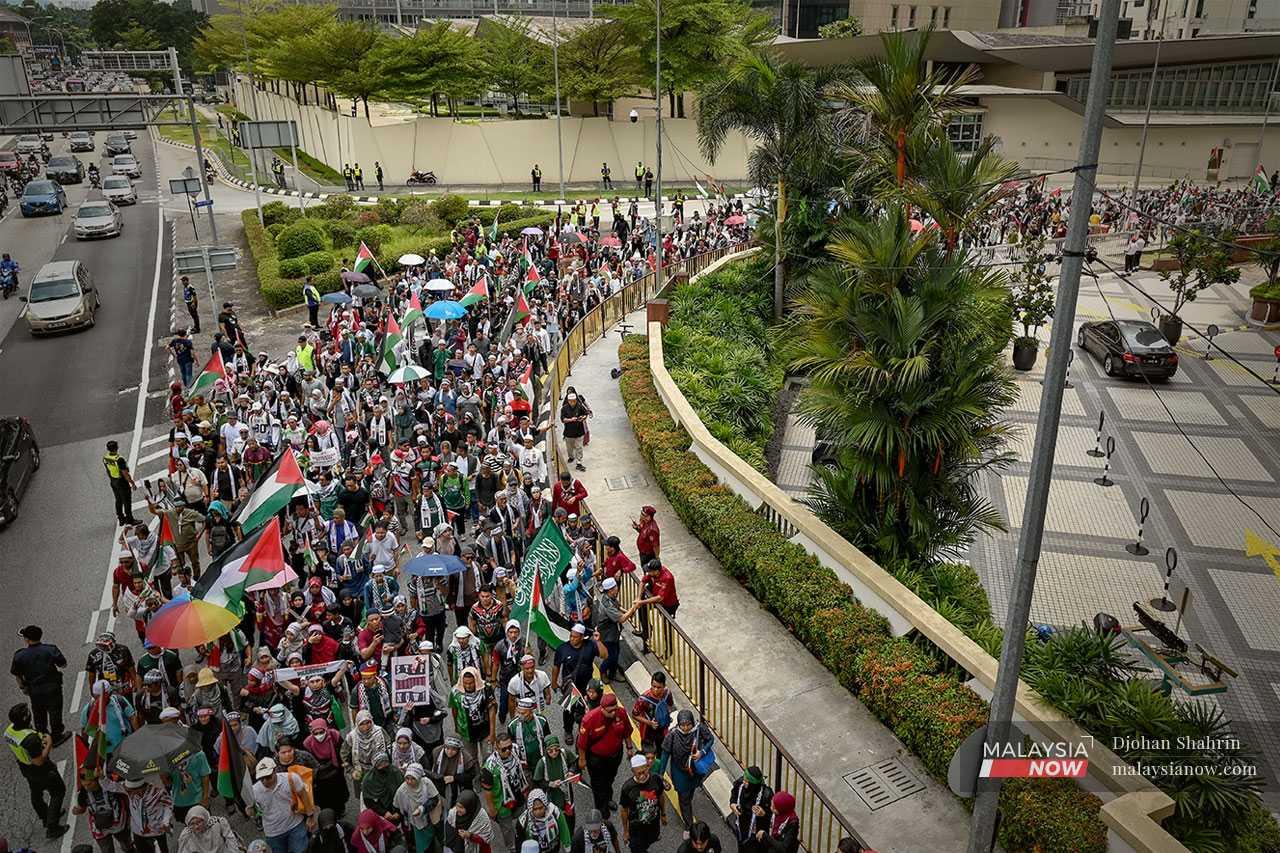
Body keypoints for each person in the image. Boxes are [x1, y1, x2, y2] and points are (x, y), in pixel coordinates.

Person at [5, 702, 69, 837]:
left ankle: (46, 817)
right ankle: (52, 827)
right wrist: (49, 743)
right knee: (58, 791)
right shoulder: (30, 740)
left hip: (26, 769)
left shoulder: (10, 731)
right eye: (28, 713)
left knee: (36, 794)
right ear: (25, 718)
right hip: (41, 770)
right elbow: (39, 761)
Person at [11, 624, 70, 746]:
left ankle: (43, 736)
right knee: (55, 711)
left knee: (38, 712)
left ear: (27, 639)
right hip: (53, 687)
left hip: (34, 690)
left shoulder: (20, 655)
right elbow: (63, 664)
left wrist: (23, 687)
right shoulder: (50, 649)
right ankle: (57, 736)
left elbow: (17, 675)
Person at [575, 694, 633, 816]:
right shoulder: (589, 719)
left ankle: (607, 798)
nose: (613, 714)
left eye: (614, 709)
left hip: (615, 755)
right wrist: (582, 759)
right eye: (609, 711)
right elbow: (581, 743)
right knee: (598, 784)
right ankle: (602, 811)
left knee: (610, 779)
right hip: (596, 759)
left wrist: (629, 747)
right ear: (602, 709)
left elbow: (627, 731)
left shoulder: (621, 713)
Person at [656, 709, 715, 829]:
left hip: (694, 771)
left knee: (690, 793)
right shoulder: (672, 735)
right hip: (679, 772)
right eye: (682, 725)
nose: (686, 728)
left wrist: (702, 752)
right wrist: (661, 774)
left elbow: (710, 739)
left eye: (688, 724)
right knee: (684, 798)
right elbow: (665, 754)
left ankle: (686, 807)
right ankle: (689, 826)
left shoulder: (699, 729)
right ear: (678, 724)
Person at [251, 756, 316, 853]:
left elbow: (304, 795)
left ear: (275, 770)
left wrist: (310, 816)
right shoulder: (254, 791)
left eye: (268, 777)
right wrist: (251, 812)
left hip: (295, 824)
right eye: (261, 778)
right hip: (273, 833)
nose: (265, 781)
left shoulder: (291, 778)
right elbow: (255, 812)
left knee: (303, 851)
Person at [74, 769, 132, 853]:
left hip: (119, 823)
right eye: (84, 785)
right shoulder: (83, 794)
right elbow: (82, 808)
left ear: (97, 780)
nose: (87, 788)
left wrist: (130, 814)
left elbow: (124, 796)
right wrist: (77, 811)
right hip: (100, 828)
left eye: (89, 784)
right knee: (106, 850)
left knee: (126, 843)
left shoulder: (110, 785)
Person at [618, 754, 664, 853]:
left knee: (649, 842)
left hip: (653, 825)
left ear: (648, 766)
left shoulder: (656, 779)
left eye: (644, 771)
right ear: (633, 771)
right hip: (636, 830)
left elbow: (660, 796)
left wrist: (663, 814)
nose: (642, 776)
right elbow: (624, 810)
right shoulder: (627, 788)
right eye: (638, 773)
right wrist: (625, 831)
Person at [394, 762, 441, 853]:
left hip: (428, 821)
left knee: (430, 845)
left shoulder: (426, 783)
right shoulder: (402, 790)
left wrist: (422, 809)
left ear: (419, 777)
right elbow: (397, 806)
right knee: (415, 844)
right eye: (407, 778)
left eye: (413, 779)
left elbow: (434, 799)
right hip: (411, 824)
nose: (409, 782)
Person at [728, 766, 773, 853]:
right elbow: (734, 793)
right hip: (741, 828)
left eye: (746, 781)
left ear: (753, 784)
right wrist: (732, 804)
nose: (743, 782)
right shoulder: (741, 783)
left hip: (756, 838)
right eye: (744, 779)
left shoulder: (766, 795)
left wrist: (764, 814)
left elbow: (773, 817)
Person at [124, 777, 174, 853]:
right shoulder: (128, 791)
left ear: (140, 788)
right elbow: (110, 786)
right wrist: (102, 778)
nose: (130, 793)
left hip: (157, 831)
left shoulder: (158, 792)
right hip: (138, 833)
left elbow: (168, 806)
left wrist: (165, 821)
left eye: (133, 791)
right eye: (129, 790)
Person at [518, 788, 570, 852]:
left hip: (554, 848)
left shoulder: (555, 811)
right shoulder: (523, 820)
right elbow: (519, 841)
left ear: (545, 805)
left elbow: (563, 829)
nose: (538, 811)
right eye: (535, 809)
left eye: (540, 807)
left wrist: (567, 845)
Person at [445, 789, 496, 853]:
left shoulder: (481, 817)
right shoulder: (453, 813)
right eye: (457, 805)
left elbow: (485, 841)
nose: (458, 809)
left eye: (461, 807)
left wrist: (470, 836)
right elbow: (449, 829)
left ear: (469, 806)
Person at [105, 439, 138, 527]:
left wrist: (112, 479)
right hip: (121, 482)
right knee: (127, 501)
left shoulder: (106, 457)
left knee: (118, 500)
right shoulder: (119, 459)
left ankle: (121, 518)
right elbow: (125, 473)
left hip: (113, 481)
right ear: (117, 448)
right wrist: (132, 482)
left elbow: (107, 470)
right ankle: (130, 519)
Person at [559, 391, 590, 471]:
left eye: (574, 401)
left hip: (579, 431)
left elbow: (585, 414)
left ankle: (579, 462)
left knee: (579, 447)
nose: (572, 403)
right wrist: (570, 420)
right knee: (570, 448)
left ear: (576, 400)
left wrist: (583, 418)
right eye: (570, 401)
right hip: (569, 432)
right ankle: (571, 457)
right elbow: (563, 420)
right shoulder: (564, 408)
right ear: (568, 401)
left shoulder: (580, 406)